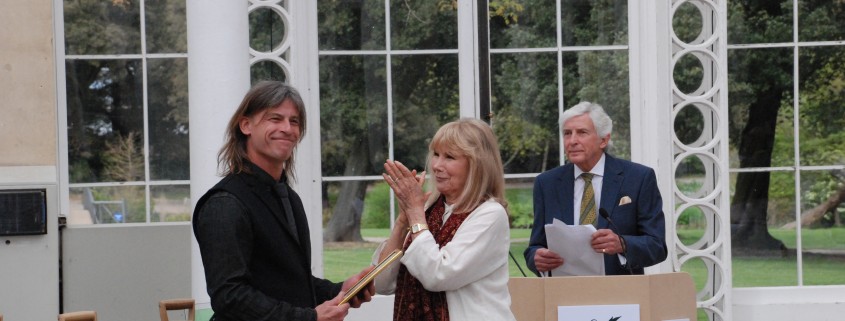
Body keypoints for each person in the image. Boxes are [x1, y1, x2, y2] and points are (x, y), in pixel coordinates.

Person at [192, 81, 374, 321]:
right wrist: (307, 318)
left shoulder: (288, 197)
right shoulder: (225, 203)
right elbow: (230, 296)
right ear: (246, 125)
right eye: (275, 119)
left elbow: (289, 283)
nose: (287, 129)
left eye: (294, 121)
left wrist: (340, 290)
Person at [372, 118, 516, 321]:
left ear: (476, 165)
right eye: (436, 154)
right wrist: (402, 222)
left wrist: (415, 214)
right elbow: (381, 283)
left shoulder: (490, 214)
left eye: (449, 157)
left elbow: (438, 275)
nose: (437, 165)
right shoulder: (429, 210)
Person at [524, 101, 667, 276]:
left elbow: (657, 246)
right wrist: (537, 258)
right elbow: (535, 247)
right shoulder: (546, 183)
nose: (572, 141)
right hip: (563, 294)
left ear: (603, 140)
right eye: (567, 134)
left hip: (620, 294)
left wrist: (622, 244)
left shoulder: (638, 178)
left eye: (582, 133)